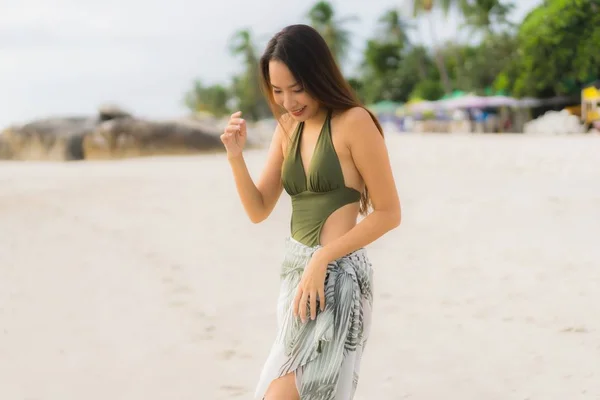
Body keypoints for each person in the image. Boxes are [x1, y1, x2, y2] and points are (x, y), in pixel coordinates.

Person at [220, 24, 401, 400]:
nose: (288, 101)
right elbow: (258, 209)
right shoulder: (288, 128)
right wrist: (236, 158)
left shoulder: (354, 122)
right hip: (296, 276)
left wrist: (323, 258)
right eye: (277, 90)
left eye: (297, 88)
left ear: (318, 74)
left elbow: (388, 212)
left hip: (336, 279)